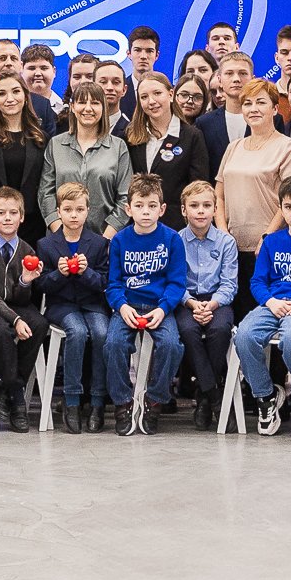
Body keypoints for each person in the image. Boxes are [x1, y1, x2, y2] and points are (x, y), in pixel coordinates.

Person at [106, 175, 190, 429]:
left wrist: (163, 309)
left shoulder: (172, 239)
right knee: (113, 344)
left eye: (152, 206)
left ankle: (154, 400)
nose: (145, 211)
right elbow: (113, 284)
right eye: (139, 205)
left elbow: (177, 283)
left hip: (159, 308)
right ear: (128, 209)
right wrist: (122, 306)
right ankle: (123, 402)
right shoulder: (119, 240)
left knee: (172, 346)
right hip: (127, 306)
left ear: (162, 209)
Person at [212, 80, 291, 308]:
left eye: (261, 102)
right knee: (235, 316)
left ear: (275, 109)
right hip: (232, 251)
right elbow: (219, 195)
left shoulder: (288, 148)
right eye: (248, 103)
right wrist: (222, 232)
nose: (253, 109)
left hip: (269, 249)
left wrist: (267, 236)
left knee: (265, 316)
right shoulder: (234, 147)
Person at [37, 182, 111, 432]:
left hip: (92, 304)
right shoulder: (46, 245)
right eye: (68, 210)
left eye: (79, 209)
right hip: (62, 306)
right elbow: (41, 285)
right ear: (58, 211)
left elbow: (104, 282)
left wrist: (85, 271)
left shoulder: (98, 243)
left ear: (88, 211)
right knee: (77, 332)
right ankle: (72, 401)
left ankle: (98, 401)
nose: (74, 215)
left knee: (102, 333)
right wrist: (59, 274)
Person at [0, 187, 46, 430]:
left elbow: (22, 299)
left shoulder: (27, 250)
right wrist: (15, 320)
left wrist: (25, 280)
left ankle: (9, 387)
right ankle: (18, 400)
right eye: (1, 213)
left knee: (39, 324)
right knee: (1, 330)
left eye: (13, 213)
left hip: (16, 304)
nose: (7, 218)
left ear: (22, 217)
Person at [174, 181, 238, 427]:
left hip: (217, 301)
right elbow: (174, 281)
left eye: (206, 205)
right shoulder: (175, 241)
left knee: (220, 330)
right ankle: (215, 397)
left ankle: (203, 394)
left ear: (215, 209)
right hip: (186, 301)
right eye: (194, 205)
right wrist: (191, 303)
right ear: (184, 210)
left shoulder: (226, 242)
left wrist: (211, 305)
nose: (200, 211)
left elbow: (229, 284)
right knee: (187, 330)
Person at [40, 83, 132, 238]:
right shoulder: (55, 144)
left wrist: (104, 240)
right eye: (82, 102)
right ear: (72, 107)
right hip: (60, 240)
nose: (88, 108)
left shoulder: (118, 147)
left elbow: (125, 197)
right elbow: (45, 193)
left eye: (95, 103)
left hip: (105, 239)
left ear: (103, 108)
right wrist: (61, 235)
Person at [0, 73, 50, 244]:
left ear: (25, 97)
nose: (10, 98)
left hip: (33, 232)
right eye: (2, 93)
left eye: (16, 91)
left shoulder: (42, 138)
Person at [124, 72, 210, 229]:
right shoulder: (131, 136)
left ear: (171, 95)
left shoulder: (192, 136)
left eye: (157, 93)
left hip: (176, 228)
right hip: (138, 227)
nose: (151, 101)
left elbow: (198, 188)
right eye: (144, 97)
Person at [196, 52, 255, 164]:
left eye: (243, 73)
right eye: (229, 73)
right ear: (220, 80)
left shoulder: (271, 119)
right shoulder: (204, 123)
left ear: (252, 79)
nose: (236, 79)